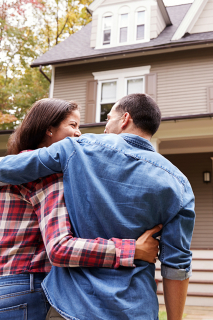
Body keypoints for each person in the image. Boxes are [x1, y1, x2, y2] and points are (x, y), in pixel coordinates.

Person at [0, 93, 195, 320]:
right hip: (136, 308)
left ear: (124, 119)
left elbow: (12, 166)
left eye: (108, 119)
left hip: (74, 306)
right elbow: (177, 265)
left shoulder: (77, 148)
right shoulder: (179, 184)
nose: (104, 128)